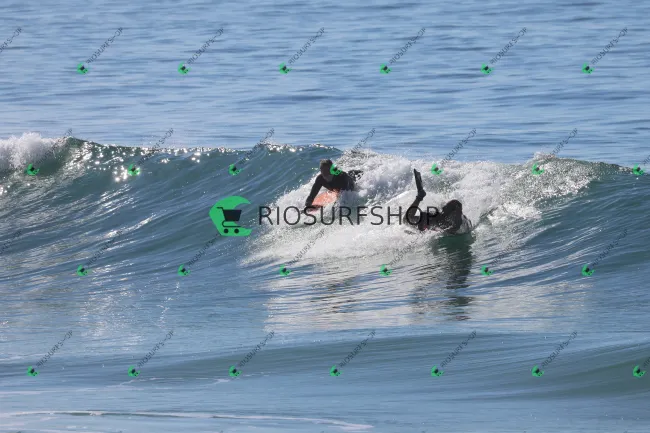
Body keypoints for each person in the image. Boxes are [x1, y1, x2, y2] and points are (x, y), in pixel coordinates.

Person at [405, 169, 473, 234]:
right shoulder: (432, 221)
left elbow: (456, 207)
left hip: (444, 219)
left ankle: (420, 197)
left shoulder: (457, 219)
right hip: (434, 219)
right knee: (407, 220)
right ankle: (420, 196)